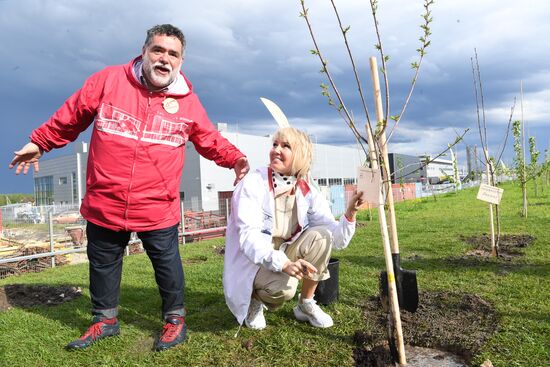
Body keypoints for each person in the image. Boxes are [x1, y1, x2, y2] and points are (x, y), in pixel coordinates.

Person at [9, 24, 249, 351]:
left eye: (173, 54)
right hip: (105, 203)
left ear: (181, 62)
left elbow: (209, 139)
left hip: (157, 208)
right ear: (145, 51)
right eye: (158, 50)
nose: (164, 59)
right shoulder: (108, 81)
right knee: (103, 266)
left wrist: (235, 159)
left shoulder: (188, 102)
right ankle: (104, 321)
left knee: (168, 267)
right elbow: (71, 117)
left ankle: (175, 321)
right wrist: (40, 142)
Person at [223, 127, 364, 330]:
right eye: (275, 144)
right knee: (284, 289)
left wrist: (350, 214)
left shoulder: (305, 189)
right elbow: (249, 239)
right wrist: (284, 264)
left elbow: (336, 239)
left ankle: (305, 304)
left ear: (300, 155)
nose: (276, 150)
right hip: (253, 260)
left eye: (285, 146)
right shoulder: (253, 183)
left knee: (322, 237)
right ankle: (254, 299)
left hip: (283, 253)